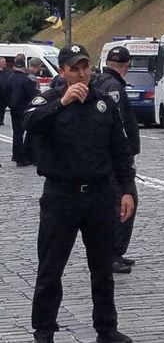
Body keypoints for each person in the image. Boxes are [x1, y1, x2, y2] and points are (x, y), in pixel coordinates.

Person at [24, 43, 135, 343]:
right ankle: (44, 331)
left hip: (98, 195)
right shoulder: (47, 99)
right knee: (50, 268)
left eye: (86, 67)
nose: (82, 73)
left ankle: (107, 328)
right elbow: (29, 123)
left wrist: (126, 189)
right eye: (75, 68)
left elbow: (119, 150)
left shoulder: (103, 103)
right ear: (62, 71)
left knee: (102, 268)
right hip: (61, 196)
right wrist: (61, 102)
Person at [93, 46, 141, 274]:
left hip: (106, 156)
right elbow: (119, 123)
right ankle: (113, 254)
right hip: (116, 157)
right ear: (126, 65)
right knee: (125, 202)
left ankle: (111, 252)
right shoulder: (114, 87)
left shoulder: (101, 81)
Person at [6, 53, 38, 166]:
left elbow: (6, 93)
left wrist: (9, 103)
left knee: (16, 133)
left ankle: (16, 155)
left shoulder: (9, 77)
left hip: (13, 108)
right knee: (27, 132)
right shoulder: (26, 80)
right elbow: (33, 95)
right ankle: (22, 158)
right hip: (24, 108)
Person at [0, 57, 9, 126]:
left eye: (4, 61)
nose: (4, 63)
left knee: (2, 108)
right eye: (3, 62)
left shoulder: (7, 71)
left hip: (4, 94)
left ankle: (1, 120)